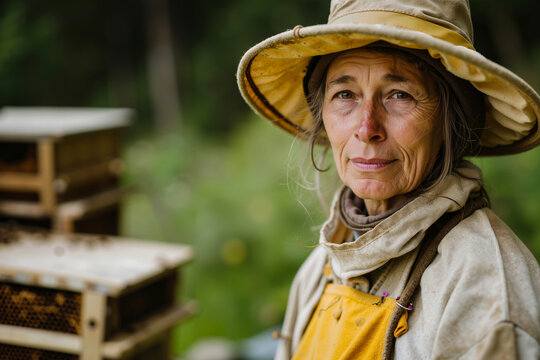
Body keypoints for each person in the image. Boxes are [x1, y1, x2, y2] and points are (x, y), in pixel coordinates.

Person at [237, 0, 540, 358]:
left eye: (399, 95)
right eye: (345, 95)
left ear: (451, 121)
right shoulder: (322, 266)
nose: (367, 129)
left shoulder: (483, 287)